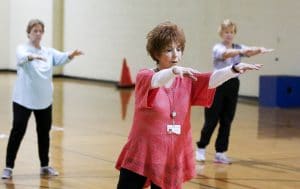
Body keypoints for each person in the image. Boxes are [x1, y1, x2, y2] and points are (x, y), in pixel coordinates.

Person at [115, 21, 262, 189]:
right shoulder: (145, 76)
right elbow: (156, 80)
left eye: (178, 49)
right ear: (156, 53)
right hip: (143, 151)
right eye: (168, 50)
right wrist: (173, 71)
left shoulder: (186, 80)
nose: (175, 55)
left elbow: (210, 79)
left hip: (171, 154)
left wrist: (233, 70)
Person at [1, 19, 83, 179]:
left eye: (40, 31)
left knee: (44, 133)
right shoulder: (22, 48)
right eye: (34, 31)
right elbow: (21, 57)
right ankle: (8, 167)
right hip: (23, 100)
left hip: (44, 100)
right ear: (28, 33)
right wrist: (31, 57)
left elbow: (61, 57)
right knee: (18, 131)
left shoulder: (48, 52)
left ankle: (44, 165)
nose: (38, 34)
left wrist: (71, 55)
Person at [196, 19, 273, 164]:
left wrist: (260, 49)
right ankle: (201, 148)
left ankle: (220, 152)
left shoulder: (239, 47)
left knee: (227, 119)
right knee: (211, 119)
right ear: (221, 33)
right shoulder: (218, 47)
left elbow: (249, 51)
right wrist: (242, 51)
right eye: (226, 32)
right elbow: (226, 54)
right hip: (217, 83)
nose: (229, 35)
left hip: (232, 84)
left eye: (231, 32)